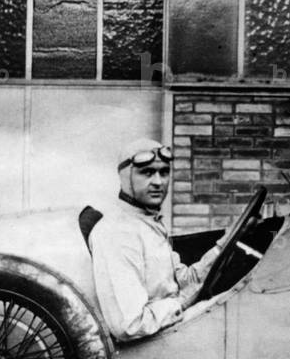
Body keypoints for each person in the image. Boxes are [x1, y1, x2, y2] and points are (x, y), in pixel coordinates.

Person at [89, 138, 226, 343]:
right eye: (147, 172)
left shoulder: (148, 222)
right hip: (153, 344)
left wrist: (222, 247)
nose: (158, 182)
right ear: (125, 176)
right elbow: (130, 324)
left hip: (171, 327)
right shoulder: (117, 232)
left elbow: (182, 281)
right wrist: (179, 304)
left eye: (164, 172)